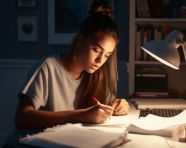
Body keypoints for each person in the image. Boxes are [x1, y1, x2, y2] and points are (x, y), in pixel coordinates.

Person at [15, 0, 130, 131]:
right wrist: (78, 115)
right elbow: (21, 119)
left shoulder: (97, 75)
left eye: (107, 55)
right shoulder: (48, 67)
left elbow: (106, 106)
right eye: (96, 50)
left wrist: (119, 105)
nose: (100, 60)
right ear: (80, 40)